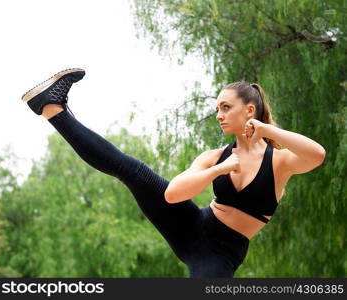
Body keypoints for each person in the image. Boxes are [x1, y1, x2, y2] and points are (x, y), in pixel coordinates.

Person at [21, 68, 326, 278]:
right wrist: (219, 168)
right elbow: (173, 193)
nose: (218, 115)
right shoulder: (213, 157)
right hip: (191, 223)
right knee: (131, 169)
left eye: (225, 107)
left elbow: (317, 155)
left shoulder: (280, 162)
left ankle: (52, 108)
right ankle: (52, 108)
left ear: (249, 110)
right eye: (216, 108)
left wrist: (267, 129)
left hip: (220, 254)